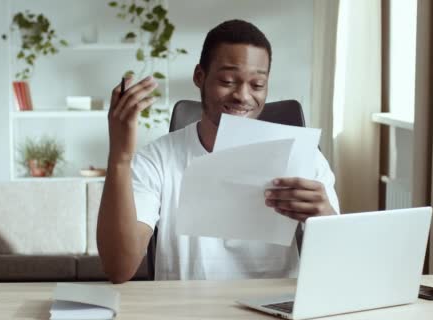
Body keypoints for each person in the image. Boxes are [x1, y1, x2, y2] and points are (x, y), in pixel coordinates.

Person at [97, 19, 340, 283]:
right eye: (227, 81)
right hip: (186, 309)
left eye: (257, 85)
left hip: (272, 309)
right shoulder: (158, 160)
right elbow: (117, 269)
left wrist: (326, 217)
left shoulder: (305, 160)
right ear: (199, 77)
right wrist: (120, 157)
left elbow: (337, 270)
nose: (243, 96)